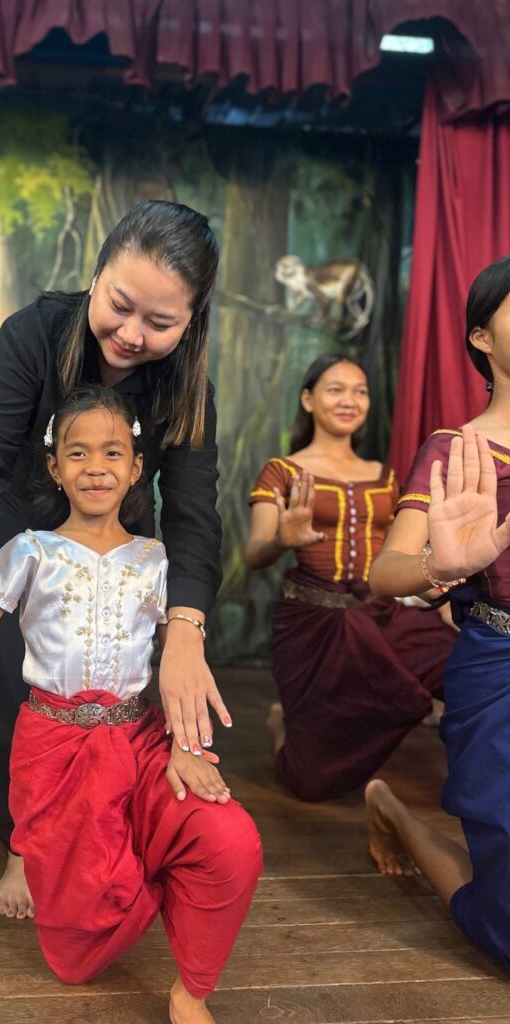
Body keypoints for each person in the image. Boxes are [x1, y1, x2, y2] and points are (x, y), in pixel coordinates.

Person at [0, 200, 228, 917]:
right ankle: (20, 845)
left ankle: (111, 826)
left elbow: (192, 513)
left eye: (160, 322)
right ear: (96, 275)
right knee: (20, 689)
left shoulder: (189, 387)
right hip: (24, 528)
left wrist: (186, 628)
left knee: (122, 695)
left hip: (121, 537)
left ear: (192, 320)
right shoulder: (34, 334)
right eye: (120, 305)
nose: (132, 334)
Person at [0, 386, 262, 1024]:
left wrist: (187, 747)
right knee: (76, 957)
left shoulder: (159, 561)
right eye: (77, 453)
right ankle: (128, 873)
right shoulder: (29, 550)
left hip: (140, 743)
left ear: (138, 468)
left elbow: (179, 672)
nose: (96, 467)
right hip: (52, 754)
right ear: (54, 469)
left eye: (113, 452)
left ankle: (190, 991)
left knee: (230, 841)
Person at [367, 255, 510, 974]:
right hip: (499, 671)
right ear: (481, 336)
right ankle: (393, 811)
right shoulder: (455, 451)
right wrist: (445, 565)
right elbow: (385, 573)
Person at [245, 354, 455, 801]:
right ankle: (283, 724)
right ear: (308, 399)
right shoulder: (282, 470)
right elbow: (253, 554)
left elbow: (405, 552)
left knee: (464, 668)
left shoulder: (385, 476)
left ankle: (480, 781)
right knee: (309, 783)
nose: (350, 400)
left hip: (382, 615)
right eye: (336, 389)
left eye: (360, 391)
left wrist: (443, 592)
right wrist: (282, 540)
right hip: (315, 625)